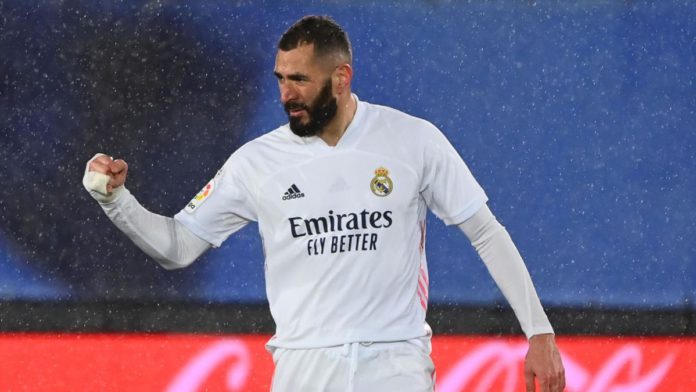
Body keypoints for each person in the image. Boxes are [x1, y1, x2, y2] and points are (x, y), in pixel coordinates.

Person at [83, 15, 565, 392]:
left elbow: (485, 232)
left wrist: (539, 332)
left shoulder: (413, 141)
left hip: (396, 364)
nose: (286, 95)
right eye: (279, 79)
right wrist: (115, 200)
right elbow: (178, 247)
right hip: (303, 366)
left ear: (341, 77)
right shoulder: (257, 162)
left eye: (300, 80)